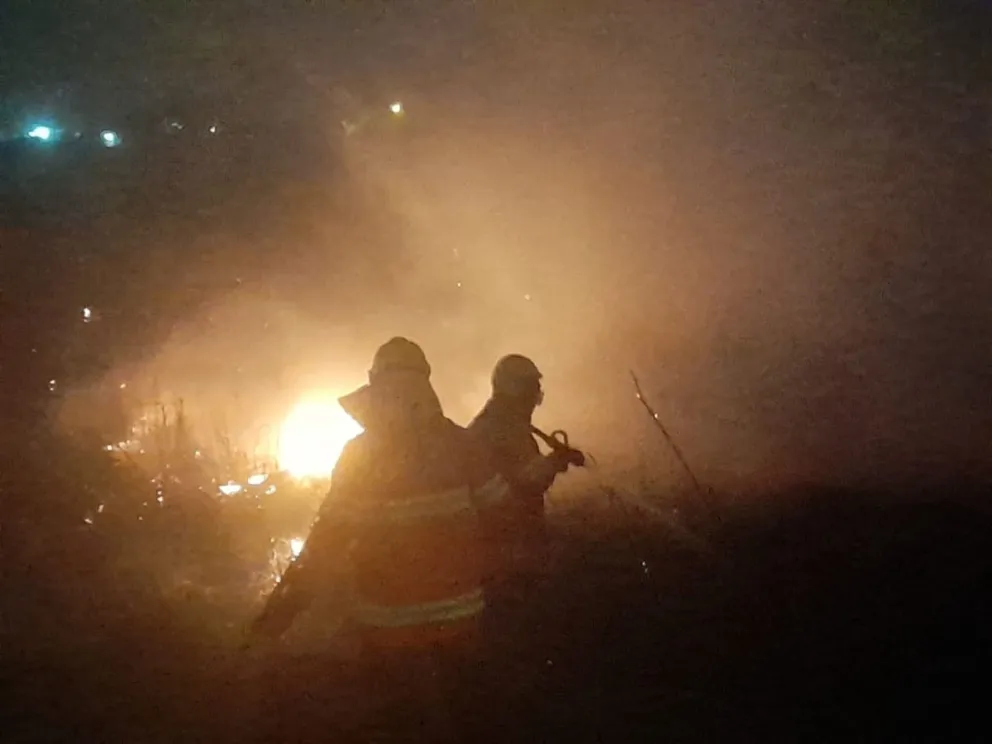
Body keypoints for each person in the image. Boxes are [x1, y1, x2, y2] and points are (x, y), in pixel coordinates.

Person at [248, 337, 509, 742]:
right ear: (426, 382)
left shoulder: (360, 456)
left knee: (398, 727)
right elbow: (504, 516)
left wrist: (277, 617)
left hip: (388, 630)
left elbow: (323, 548)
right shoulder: (462, 445)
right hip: (461, 623)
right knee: (471, 721)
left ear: (375, 382)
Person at [467, 355, 583, 631]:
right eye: (532, 392)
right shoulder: (502, 429)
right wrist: (556, 461)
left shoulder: (497, 424)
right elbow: (526, 480)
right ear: (516, 389)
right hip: (508, 549)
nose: (534, 401)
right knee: (521, 624)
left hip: (502, 546)